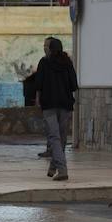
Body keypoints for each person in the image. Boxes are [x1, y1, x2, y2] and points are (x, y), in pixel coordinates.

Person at [30, 36, 77, 180]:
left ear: (51, 48)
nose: (44, 48)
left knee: (55, 137)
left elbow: (38, 84)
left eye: (46, 46)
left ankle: (62, 171)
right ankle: (53, 167)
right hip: (65, 105)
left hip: (49, 105)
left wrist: (38, 99)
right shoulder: (67, 63)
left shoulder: (44, 62)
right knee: (61, 138)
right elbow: (74, 84)